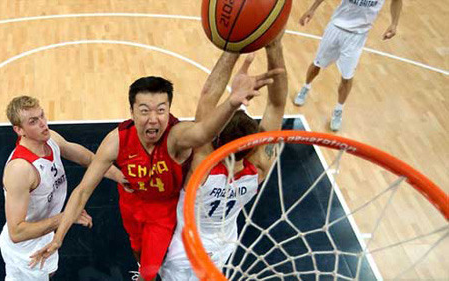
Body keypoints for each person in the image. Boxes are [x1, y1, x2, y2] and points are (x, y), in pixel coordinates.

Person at [30, 57, 284, 281]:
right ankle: (142, 267)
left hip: (164, 213)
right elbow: (83, 190)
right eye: (144, 111)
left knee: (151, 271)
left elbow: (204, 128)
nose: (153, 118)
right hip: (133, 201)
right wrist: (58, 237)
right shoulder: (117, 140)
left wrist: (231, 99)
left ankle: (145, 275)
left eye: (161, 111)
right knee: (137, 249)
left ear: (170, 111)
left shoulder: (179, 139)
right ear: (131, 112)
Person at [159, 32, 288, 280]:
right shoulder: (258, 169)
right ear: (252, 147)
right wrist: (275, 46)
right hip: (221, 250)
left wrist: (233, 44)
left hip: (184, 251)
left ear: (216, 136)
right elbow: (276, 105)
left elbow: (209, 95)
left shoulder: (203, 165)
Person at [0, 96, 122, 280]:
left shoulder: (50, 139)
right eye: (33, 121)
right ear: (19, 130)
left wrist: (122, 178)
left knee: (50, 271)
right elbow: (16, 233)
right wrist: (67, 217)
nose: (43, 124)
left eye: (42, 116)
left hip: (46, 231)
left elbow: (88, 159)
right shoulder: (20, 169)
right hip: (26, 249)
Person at [294, 0, 402, 131]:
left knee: (347, 77)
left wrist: (394, 24)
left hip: (357, 36)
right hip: (336, 27)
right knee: (317, 64)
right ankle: (305, 87)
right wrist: (312, 9)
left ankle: (338, 111)